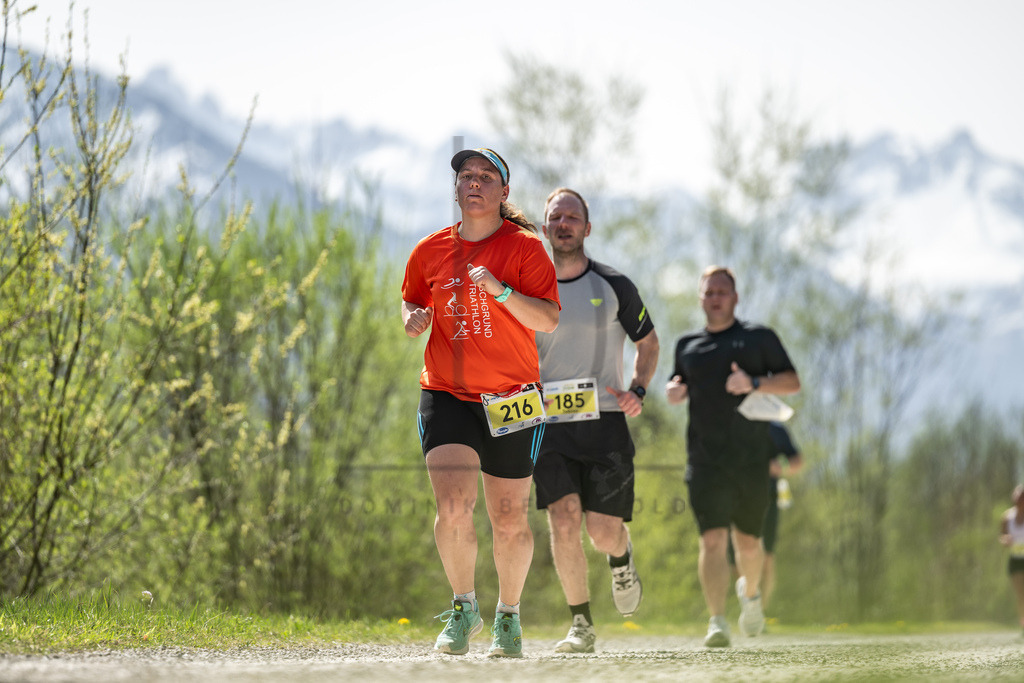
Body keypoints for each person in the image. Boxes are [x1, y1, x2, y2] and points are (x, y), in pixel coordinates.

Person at [401, 148, 560, 658]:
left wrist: (501, 291)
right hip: (446, 392)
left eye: (486, 176)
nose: (474, 182)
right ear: (455, 189)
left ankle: (508, 616)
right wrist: (412, 317)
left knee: (508, 518)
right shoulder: (429, 249)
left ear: (503, 192)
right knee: (452, 507)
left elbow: (548, 319)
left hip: (512, 397)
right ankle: (463, 607)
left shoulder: (525, 248)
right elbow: (412, 297)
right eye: (466, 175)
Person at [532, 188, 660, 653]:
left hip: (604, 421)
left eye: (572, 217)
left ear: (587, 228)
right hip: (548, 426)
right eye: (555, 217)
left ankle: (621, 559)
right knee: (564, 520)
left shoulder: (614, 284)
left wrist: (638, 389)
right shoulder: (527, 289)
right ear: (544, 228)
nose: (563, 224)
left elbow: (649, 343)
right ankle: (580, 624)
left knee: (603, 533)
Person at [664, 265, 800, 648]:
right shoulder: (687, 345)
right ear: (700, 298)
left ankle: (751, 596)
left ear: (735, 298)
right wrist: (675, 392)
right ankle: (717, 620)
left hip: (751, 460)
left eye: (722, 292)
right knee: (711, 541)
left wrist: (753, 382)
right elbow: (678, 383)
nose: (715, 298)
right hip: (704, 460)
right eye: (709, 292)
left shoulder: (758, 338)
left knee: (749, 544)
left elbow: (792, 382)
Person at [727, 421, 803, 616]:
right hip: (733, 497)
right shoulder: (730, 422)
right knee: (735, 560)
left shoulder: (775, 429)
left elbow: (796, 460)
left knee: (767, 557)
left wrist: (779, 466)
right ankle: (746, 606)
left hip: (768, 499)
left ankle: (760, 613)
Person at [998, 484, 1024, 634]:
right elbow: (1002, 536)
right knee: (1020, 593)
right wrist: (1005, 539)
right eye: (1017, 498)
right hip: (1015, 559)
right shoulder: (1007, 517)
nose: (1019, 501)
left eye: (1022, 498)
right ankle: (1023, 621)